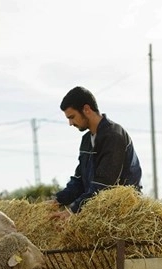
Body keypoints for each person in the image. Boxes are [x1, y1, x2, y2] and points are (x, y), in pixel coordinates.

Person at [52, 86, 142, 220]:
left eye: (72, 117)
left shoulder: (114, 136)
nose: (70, 123)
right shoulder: (87, 140)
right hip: (96, 211)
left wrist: (73, 210)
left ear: (86, 109)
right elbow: (79, 180)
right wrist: (57, 201)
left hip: (122, 213)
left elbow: (104, 186)